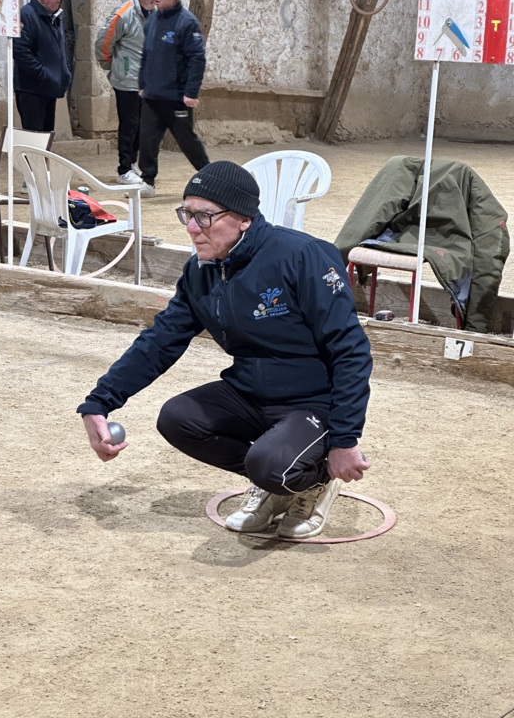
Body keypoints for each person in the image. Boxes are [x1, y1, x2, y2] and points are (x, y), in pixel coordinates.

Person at [78, 161, 373, 540]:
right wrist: (99, 402)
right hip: (249, 393)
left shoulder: (303, 256)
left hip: (313, 403)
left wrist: (344, 439)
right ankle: (278, 483)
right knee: (177, 418)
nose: (191, 227)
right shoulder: (201, 271)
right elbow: (160, 340)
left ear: (243, 219)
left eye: (204, 216)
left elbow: (351, 351)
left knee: (269, 464)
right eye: (187, 214)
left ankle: (314, 482)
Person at [136, 0, 210, 199]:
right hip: (152, 95)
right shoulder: (152, 21)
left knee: (186, 140)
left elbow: (197, 59)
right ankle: (147, 180)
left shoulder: (187, 22)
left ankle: (209, 176)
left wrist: (191, 92)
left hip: (177, 97)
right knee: (147, 139)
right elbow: (146, 55)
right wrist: (142, 83)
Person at [94, 0, 156, 185]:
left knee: (142, 125)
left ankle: (132, 163)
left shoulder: (154, 14)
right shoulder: (124, 14)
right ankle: (124, 169)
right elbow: (103, 42)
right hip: (127, 79)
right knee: (129, 124)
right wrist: (112, 66)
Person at [13, 0, 72, 133]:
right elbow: (21, 51)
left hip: (49, 87)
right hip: (32, 89)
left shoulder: (56, 16)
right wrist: (43, 74)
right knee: (34, 137)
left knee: (46, 137)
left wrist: (64, 71)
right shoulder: (27, 15)